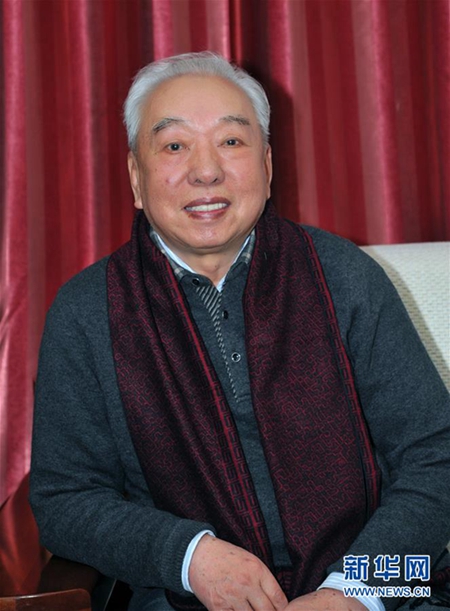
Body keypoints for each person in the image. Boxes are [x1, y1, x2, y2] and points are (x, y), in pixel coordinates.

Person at [29, 52, 450, 611]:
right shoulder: (86, 312)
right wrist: (189, 557)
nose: (206, 171)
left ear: (268, 165)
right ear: (135, 178)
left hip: (385, 589)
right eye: (174, 146)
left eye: (231, 141)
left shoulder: (345, 277)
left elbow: (436, 456)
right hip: (182, 597)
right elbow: (64, 500)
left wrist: (355, 591)